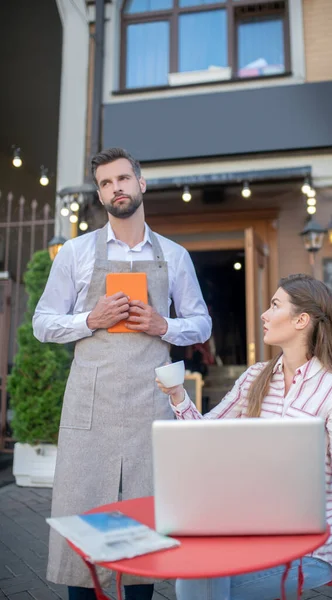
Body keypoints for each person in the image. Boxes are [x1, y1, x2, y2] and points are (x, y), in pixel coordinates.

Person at [33, 147, 212, 600]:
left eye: (123, 179)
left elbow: (202, 322)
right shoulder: (74, 253)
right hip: (90, 407)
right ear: (100, 194)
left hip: (150, 404)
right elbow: (41, 322)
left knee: (144, 526)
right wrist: (88, 320)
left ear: (141, 183)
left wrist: (163, 325)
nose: (117, 188)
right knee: (85, 525)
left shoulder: (174, 255)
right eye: (107, 183)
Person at [156, 273, 332, 600]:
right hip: (251, 532)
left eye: (275, 305)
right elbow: (202, 434)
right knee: (196, 577)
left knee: (206, 585)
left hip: (316, 547)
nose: (264, 314)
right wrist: (177, 395)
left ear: (301, 319)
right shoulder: (254, 377)